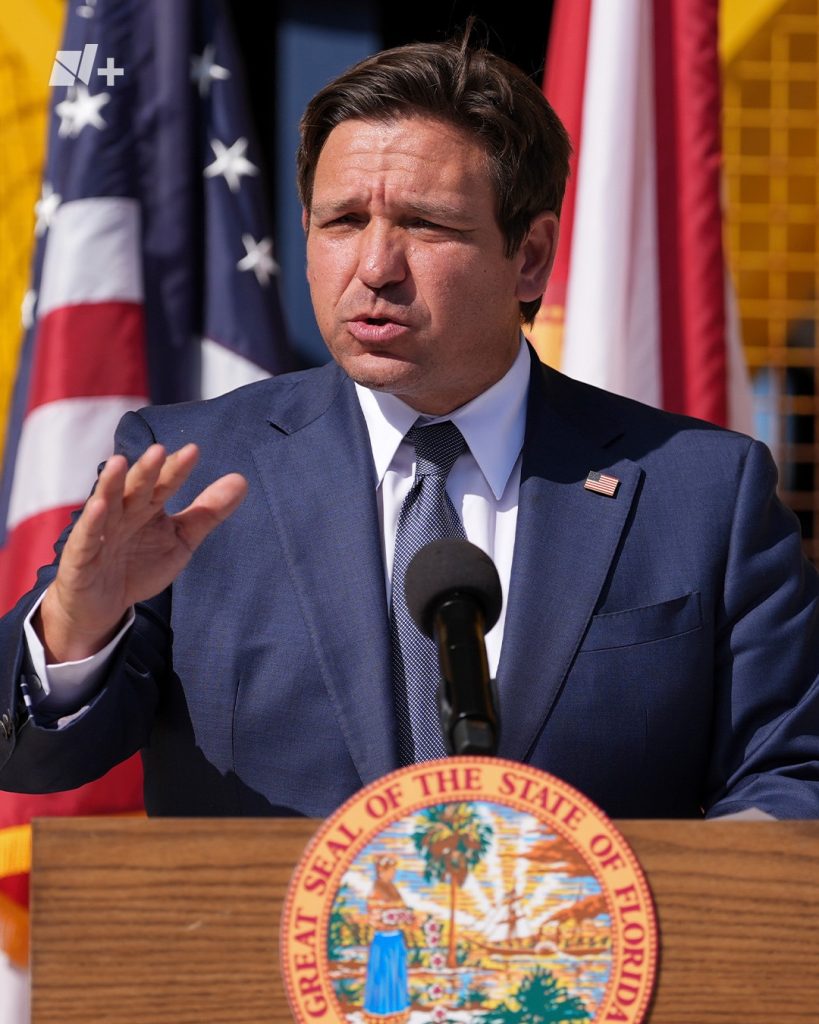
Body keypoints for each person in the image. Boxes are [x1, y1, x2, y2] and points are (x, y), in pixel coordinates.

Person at [0, 32, 818, 820]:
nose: (374, 268)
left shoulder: (700, 491)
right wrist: (77, 624)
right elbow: (37, 762)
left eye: (425, 225)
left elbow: (790, 773)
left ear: (530, 255)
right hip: (266, 924)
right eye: (342, 221)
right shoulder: (187, 471)